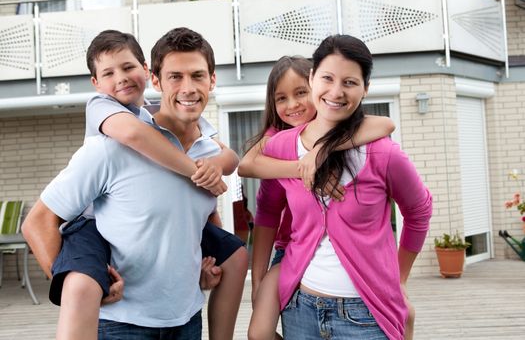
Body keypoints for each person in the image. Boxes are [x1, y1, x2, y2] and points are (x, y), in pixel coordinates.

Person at [22, 27, 247, 340]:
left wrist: (203, 267)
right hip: (119, 325)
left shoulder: (211, 154)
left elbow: (199, 219)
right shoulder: (110, 145)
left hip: (187, 322)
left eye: (197, 75)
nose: (188, 88)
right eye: (175, 77)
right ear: (155, 79)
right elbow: (38, 222)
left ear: (212, 79)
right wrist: (78, 288)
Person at [255, 35, 432, 340]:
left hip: (365, 315)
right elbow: (263, 202)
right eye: (327, 78)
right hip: (300, 311)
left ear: (365, 88)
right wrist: (260, 281)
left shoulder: (383, 153)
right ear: (313, 79)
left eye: (350, 82)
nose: (336, 92)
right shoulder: (282, 146)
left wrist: (399, 278)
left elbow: (419, 211)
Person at [238, 56, 396, 340]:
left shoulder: (345, 128)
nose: (293, 105)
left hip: (346, 258)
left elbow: (385, 123)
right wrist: (257, 278)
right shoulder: (277, 141)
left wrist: (322, 151)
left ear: (315, 86)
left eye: (300, 93)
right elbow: (263, 204)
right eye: (281, 98)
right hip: (290, 250)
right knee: (259, 333)